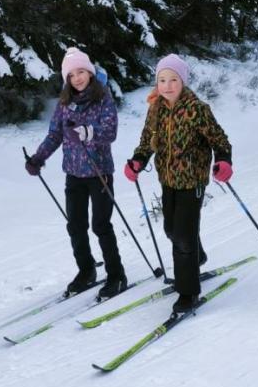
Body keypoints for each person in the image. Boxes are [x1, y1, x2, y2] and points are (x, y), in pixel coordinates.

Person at [123, 54, 232, 313]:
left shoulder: (197, 109)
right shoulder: (156, 109)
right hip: (168, 180)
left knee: (182, 238)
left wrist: (224, 161)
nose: (167, 85)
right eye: (162, 80)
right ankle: (198, 255)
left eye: (173, 79)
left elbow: (220, 140)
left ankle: (188, 292)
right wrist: (138, 160)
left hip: (192, 180)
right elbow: (147, 140)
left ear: (182, 81)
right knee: (172, 230)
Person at [25, 47, 127, 300]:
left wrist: (86, 132)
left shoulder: (103, 98)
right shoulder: (64, 104)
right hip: (73, 173)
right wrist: (38, 158)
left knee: (101, 225)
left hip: (99, 171)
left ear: (90, 73)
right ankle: (87, 270)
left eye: (81, 72)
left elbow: (110, 132)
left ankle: (116, 275)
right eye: (72, 75)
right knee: (75, 226)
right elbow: (55, 134)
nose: (77, 78)